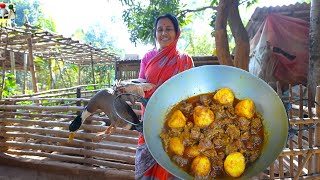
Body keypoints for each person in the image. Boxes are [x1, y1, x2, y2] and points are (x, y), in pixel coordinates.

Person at [135, 14, 194, 180]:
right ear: (155, 33)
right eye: (160, 29)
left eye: (169, 29)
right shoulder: (148, 57)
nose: (164, 33)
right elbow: (141, 83)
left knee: (174, 159)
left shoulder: (185, 59)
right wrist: (136, 87)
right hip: (150, 119)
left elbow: (191, 89)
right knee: (146, 163)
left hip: (178, 120)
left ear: (177, 32)